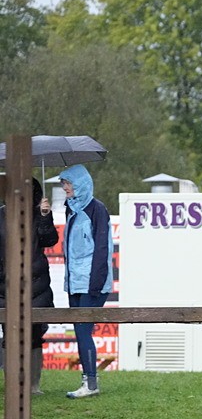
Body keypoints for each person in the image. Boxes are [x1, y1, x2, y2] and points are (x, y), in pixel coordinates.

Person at [0, 178, 60, 394]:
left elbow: (49, 240)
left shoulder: (38, 214)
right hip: (6, 287)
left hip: (37, 287)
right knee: (10, 337)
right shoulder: (1, 215)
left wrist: (45, 216)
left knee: (35, 337)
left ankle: (34, 386)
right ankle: (13, 386)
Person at [59, 164, 112, 399]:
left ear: (79, 184)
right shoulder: (70, 210)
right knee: (80, 331)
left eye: (67, 183)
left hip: (92, 284)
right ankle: (88, 381)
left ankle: (90, 383)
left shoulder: (97, 210)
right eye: (63, 184)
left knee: (82, 331)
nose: (64, 188)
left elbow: (102, 249)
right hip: (74, 283)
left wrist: (95, 284)